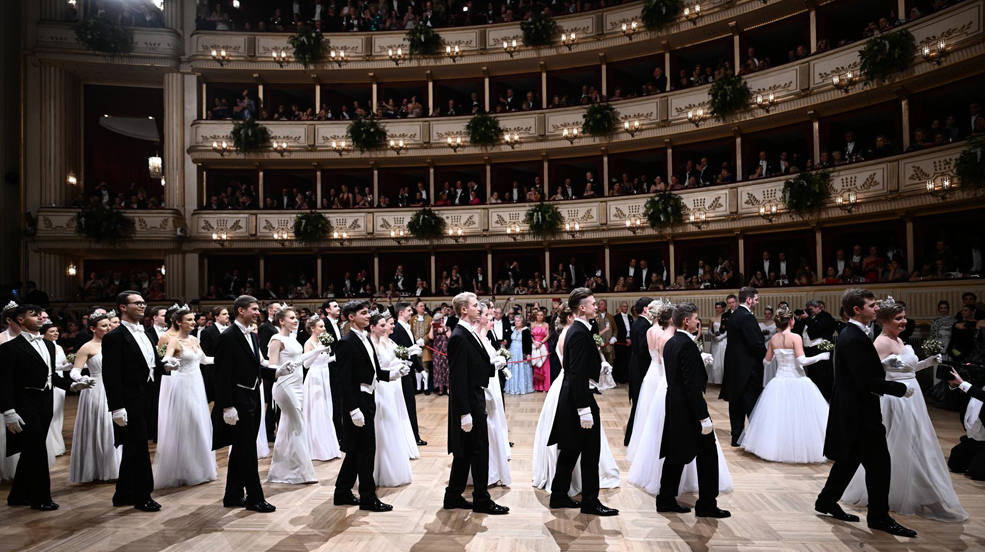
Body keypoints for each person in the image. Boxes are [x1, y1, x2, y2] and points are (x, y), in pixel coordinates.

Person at [841, 297, 967, 521]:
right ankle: (896, 492)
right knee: (897, 444)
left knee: (917, 442)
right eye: (898, 318)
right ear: (885, 321)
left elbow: (908, 369)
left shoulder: (901, 341)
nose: (904, 321)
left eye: (904, 317)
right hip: (895, 399)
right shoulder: (881, 343)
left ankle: (919, 489)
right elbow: (870, 374)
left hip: (913, 396)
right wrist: (884, 365)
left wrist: (927, 363)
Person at [815, 289, 917, 538]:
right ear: (857, 310)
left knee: (850, 459)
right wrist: (900, 388)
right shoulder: (852, 337)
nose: (876, 308)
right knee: (880, 464)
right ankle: (879, 517)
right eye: (872, 305)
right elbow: (866, 380)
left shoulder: (854, 333)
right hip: (861, 412)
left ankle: (826, 500)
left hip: (855, 410)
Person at [533, 307, 620, 496]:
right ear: (571, 316)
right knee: (577, 444)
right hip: (573, 389)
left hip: (566, 387)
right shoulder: (572, 334)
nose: (595, 308)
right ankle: (575, 491)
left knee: (572, 445)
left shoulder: (569, 333)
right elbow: (576, 368)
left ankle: (562, 491)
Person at [547, 288, 618, 516]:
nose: (596, 306)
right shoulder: (578, 331)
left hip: (575, 396)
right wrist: (584, 408)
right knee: (589, 451)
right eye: (593, 303)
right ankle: (590, 501)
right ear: (582, 308)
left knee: (571, 449)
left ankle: (558, 495)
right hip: (579, 398)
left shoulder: (582, 329)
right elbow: (576, 373)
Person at [656, 302, 731, 518]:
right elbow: (691, 385)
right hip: (689, 408)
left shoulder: (671, 342)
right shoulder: (686, 345)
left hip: (675, 404)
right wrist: (703, 417)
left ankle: (666, 499)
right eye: (696, 318)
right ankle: (707, 504)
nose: (699, 322)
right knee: (707, 454)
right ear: (686, 321)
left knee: (675, 453)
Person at [1, 305, 79, 510]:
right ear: (19, 319)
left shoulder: (50, 345)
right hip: (24, 402)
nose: (39, 317)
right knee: (37, 450)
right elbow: (5, 383)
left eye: (39, 315)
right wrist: (8, 411)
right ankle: (40, 498)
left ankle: (17, 495)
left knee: (30, 450)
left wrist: (72, 385)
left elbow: (51, 376)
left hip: (45, 401)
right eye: (32, 315)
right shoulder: (10, 348)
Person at [334, 300, 407, 512]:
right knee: (366, 451)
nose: (368, 316)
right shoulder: (347, 342)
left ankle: (342, 492)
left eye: (368, 313)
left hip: (368, 398)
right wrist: (353, 409)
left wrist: (392, 374)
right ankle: (367, 498)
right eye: (364, 313)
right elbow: (344, 380)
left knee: (356, 450)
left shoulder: (365, 338)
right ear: (350, 317)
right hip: (357, 402)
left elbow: (372, 370)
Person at [212, 295, 280, 513]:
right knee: (247, 449)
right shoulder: (228, 336)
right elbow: (222, 375)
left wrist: (276, 371)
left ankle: (232, 494)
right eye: (253, 309)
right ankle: (254, 498)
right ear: (240, 311)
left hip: (252, 397)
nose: (258, 312)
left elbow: (256, 366)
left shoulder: (251, 335)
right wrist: (226, 406)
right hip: (238, 401)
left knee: (242, 448)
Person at [443, 292, 509, 515]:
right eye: (474, 305)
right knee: (478, 450)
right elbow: (458, 377)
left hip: (474, 396)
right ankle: (481, 499)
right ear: (464, 310)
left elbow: (476, 365)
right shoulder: (460, 336)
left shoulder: (468, 332)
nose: (478, 308)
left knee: (466, 451)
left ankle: (452, 495)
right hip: (468, 401)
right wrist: (464, 413)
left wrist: (494, 366)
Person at [737, 306, 831, 463]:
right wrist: (821, 356)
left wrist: (778, 356)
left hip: (779, 381)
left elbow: (766, 362)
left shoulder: (774, 339)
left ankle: (776, 448)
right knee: (801, 416)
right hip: (797, 380)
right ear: (791, 321)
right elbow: (802, 361)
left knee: (779, 417)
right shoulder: (796, 337)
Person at [102, 291, 162, 512]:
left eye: (144, 302)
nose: (142, 306)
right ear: (123, 307)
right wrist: (117, 407)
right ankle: (143, 495)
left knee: (132, 447)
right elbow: (111, 375)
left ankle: (123, 493)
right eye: (137, 303)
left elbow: (148, 363)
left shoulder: (145, 332)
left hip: (147, 395)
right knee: (138, 448)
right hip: (129, 398)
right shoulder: (114, 337)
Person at [155, 307, 218, 488]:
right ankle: (183, 469)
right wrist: (170, 363)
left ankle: (199, 467)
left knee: (199, 423)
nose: (193, 322)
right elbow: (165, 360)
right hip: (182, 384)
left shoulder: (194, 339)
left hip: (197, 384)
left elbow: (204, 360)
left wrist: (224, 358)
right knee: (186, 424)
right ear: (178, 322)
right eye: (189, 320)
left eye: (193, 319)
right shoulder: (174, 341)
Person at [266, 306, 317, 484]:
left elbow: (298, 360)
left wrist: (317, 351)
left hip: (298, 385)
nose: (296, 320)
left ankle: (281, 470)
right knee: (297, 424)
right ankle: (304, 472)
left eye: (296, 318)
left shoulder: (293, 339)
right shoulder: (276, 339)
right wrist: (280, 370)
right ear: (281, 321)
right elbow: (272, 365)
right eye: (292, 318)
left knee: (288, 426)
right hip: (284, 386)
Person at [368, 312, 419, 486]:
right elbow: (377, 368)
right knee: (382, 425)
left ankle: (391, 466)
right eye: (381, 325)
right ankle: (378, 469)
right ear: (372, 327)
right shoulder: (371, 344)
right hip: (380, 387)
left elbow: (392, 359)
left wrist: (403, 364)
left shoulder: (386, 342)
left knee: (392, 424)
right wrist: (396, 368)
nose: (386, 328)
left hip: (390, 386)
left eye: (386, 325)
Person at [68, 313, 121, 483]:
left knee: (117, 426)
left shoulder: (115, 344)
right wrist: (81, 379)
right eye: (104, 326)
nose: (109, 328)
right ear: (92, 328)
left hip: (115, 386)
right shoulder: (87, 347)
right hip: (96, 388)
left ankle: (117, 466)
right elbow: (75, 370)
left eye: (109, 325)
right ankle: (99, 467)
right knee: (102, 425)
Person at [721, 287, 767, 446]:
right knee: (752, 405)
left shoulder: (734, 316)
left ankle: (736, 437)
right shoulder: (747, 317)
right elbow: (756, 344)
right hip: (748, 370)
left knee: (736, 405)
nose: (757, 302)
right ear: (749, 300)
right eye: (756, 299)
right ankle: (757, 441)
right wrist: (765, 355)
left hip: (734, 368)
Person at [473, 302, 512, 486]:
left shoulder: (487, 337)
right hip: (486, 384)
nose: (491, 320)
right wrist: (496, 362)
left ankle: (498, 457)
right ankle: (490, 468)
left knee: (496, 420)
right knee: (489, 423)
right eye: (488, 317)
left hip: (493, 381)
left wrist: (500, 362)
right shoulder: (477, 337)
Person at [302, 315, 341, 462]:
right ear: (312, 329)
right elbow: (306, 364)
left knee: (327, 410)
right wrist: (318, 350)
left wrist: (334, 357)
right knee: (318, 411)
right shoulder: (309, 343)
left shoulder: (323, 341)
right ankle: (317, 448)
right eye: (321, 326)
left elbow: (325, 360)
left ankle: (328, 446)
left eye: (324, 326)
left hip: (325, 376)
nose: (324, 329)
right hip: (315, 378)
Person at [392, 302, 426, 446]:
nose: (411, 313)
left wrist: (421, 369)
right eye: (408, 310)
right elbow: (396, 351)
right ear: (400, 313)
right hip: (402, 372)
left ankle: (413, 435)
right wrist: (411, 350)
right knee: (408, 405)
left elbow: (413, 353)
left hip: (410, 371)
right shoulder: (396, 328)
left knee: (411, 404)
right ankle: (413, 437)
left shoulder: (408, 327)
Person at [625, 297, 654, 446]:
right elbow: (643, 349)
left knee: (640, 404)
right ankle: (631, 438)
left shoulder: (642, 323)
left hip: (639, 367)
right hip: (641, 369)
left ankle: (633, 437)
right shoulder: (643, 325)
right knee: (638, 404)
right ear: (645, 309)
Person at [948, 367, 985, 479]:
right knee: (955, 464)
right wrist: (955, 385)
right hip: (974, 438)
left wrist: (962, 384)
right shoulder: (977, 383)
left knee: (977, 473)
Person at [41, 322, 70, 464]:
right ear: (44, 333)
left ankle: (58, 445)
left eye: (57, 331)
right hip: (50, 380)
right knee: (50, 413)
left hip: (61, 382)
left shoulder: (58, 346)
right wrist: (61, 367)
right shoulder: (43, 346)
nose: (56, 333)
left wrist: (71, 364)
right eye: (52, 331)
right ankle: (49, 445)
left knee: (58, 414)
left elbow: (64, 363)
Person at [505, 313, 533, 394]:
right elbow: (509, 340)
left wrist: (528, 354)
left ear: (522, 322)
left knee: (522, 369)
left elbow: (528, 343)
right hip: (512, 352)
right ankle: (512, 388)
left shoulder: (526, 330)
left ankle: (522, 388)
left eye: (518, 321)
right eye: (515, 321)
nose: (516, 322)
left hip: (521, 352)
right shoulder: (512, 329)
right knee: (512, 368)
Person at [429, 314, 451, 395]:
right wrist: (432, 326)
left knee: (447, 370)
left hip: (445, 353)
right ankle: (440, 389)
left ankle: (448, 388)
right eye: (438, 319)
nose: (440, 320)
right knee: (438, 371)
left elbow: (450, 336)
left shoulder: (447, 328)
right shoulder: (434, 329)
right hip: (437, 353)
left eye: (442, 318)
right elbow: (431, 337)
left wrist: (444, 328)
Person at [530, 309, 551, 391]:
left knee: (545, 366)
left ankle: (546, 386)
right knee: (536, 365)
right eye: (538, 315)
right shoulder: (532, 324)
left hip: (543, 345)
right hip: (535, 345)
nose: (539, 316)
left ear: (543, 316)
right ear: (536, 316)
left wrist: (541, 342)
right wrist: (535, 342)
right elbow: (531, 335)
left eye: (541, 315)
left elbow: (548, 335)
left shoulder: (546, 324)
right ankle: (538, 387)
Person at [708, 301, 728, 384]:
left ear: (723, 308)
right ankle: (716, 380)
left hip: (723, 341)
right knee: (715, 360)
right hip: (715, 341)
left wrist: (720, 337)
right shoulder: (712, 318)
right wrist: (713, 335)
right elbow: (709, 330)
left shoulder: (726, 318)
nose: (718, 309)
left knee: (723, 359)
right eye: (716, 307)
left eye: (719, 307)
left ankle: (724, 380)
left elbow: (728, 330)